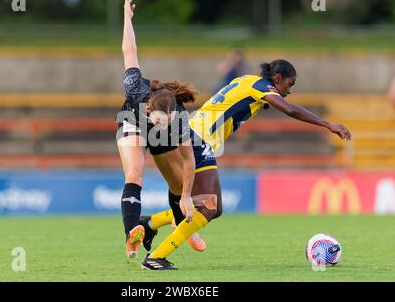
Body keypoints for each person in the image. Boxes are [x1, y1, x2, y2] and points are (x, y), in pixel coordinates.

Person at [141, 59, 352, 270]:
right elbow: (289, 110)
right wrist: (328, 124)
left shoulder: (249, 82)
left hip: (197, 136)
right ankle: (156, 258)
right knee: (206, 209)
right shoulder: (262, 87)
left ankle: (149, 223)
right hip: (200, 139)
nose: (289, 91)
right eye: (289, 84)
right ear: (277, 78)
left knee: (215, 208)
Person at [117, 0, 206, 259]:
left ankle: (181, 221)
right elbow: (129, 50)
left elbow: (189, 160)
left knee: (178, 185)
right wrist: (126, 16)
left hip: (157, 132)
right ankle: (132, 233)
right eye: (159, 121)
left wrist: (188, 196)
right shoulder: (135, 89)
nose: (163, 125)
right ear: (149, 108)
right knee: (134, 172)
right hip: (131, 121)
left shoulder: (176, 120)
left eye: (166, 122)